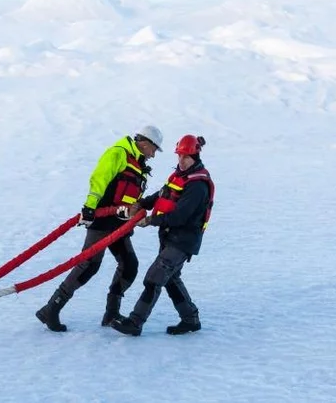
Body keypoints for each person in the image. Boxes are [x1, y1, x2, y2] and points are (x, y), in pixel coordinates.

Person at [35, 125, 163, 332]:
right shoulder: (118, 154)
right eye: (154, 150)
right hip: (103, 221)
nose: (154, 155)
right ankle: (52, 308)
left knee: (129, 265)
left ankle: (111, 313)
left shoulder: (138, 164)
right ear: (145, 143)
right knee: (88, 265)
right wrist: (89, 208)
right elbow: (99, 180)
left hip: (119, 224)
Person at [112, 134, 215, 336]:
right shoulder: (180, 176)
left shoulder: (197, 186)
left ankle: (135, 322)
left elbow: (179, 216)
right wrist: (142, 203)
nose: (181, 161)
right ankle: (190, 319)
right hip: (172, 238)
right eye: (179, 156)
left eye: (186, 157)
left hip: (183, 241)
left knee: (153, 279)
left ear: (195, 156)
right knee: (171, 279)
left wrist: (150, 220)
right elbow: (162, 194)